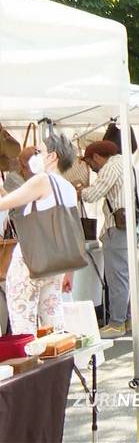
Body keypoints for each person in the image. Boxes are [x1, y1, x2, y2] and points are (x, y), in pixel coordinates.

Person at [0, 133, 79, 335]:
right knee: (53, 325)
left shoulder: (42, 180)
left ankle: (30, 365)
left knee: (23, 326)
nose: (37, 156)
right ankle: (60, 366)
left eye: (40, 151)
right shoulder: (68, 188)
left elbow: (5, 204)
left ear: (52, 156)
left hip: (29, 261)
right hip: (54, 264)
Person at [78, 139, 139, 339]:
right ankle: (127, 319)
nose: (91, 168)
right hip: (133, 227)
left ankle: (116, 324)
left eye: (90, 162)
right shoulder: (132, 167)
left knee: (117, 277)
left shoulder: (110, 168)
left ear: (97, 157)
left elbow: (93, 194)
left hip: (117, 229)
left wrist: (79, 190)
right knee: (126, 276)